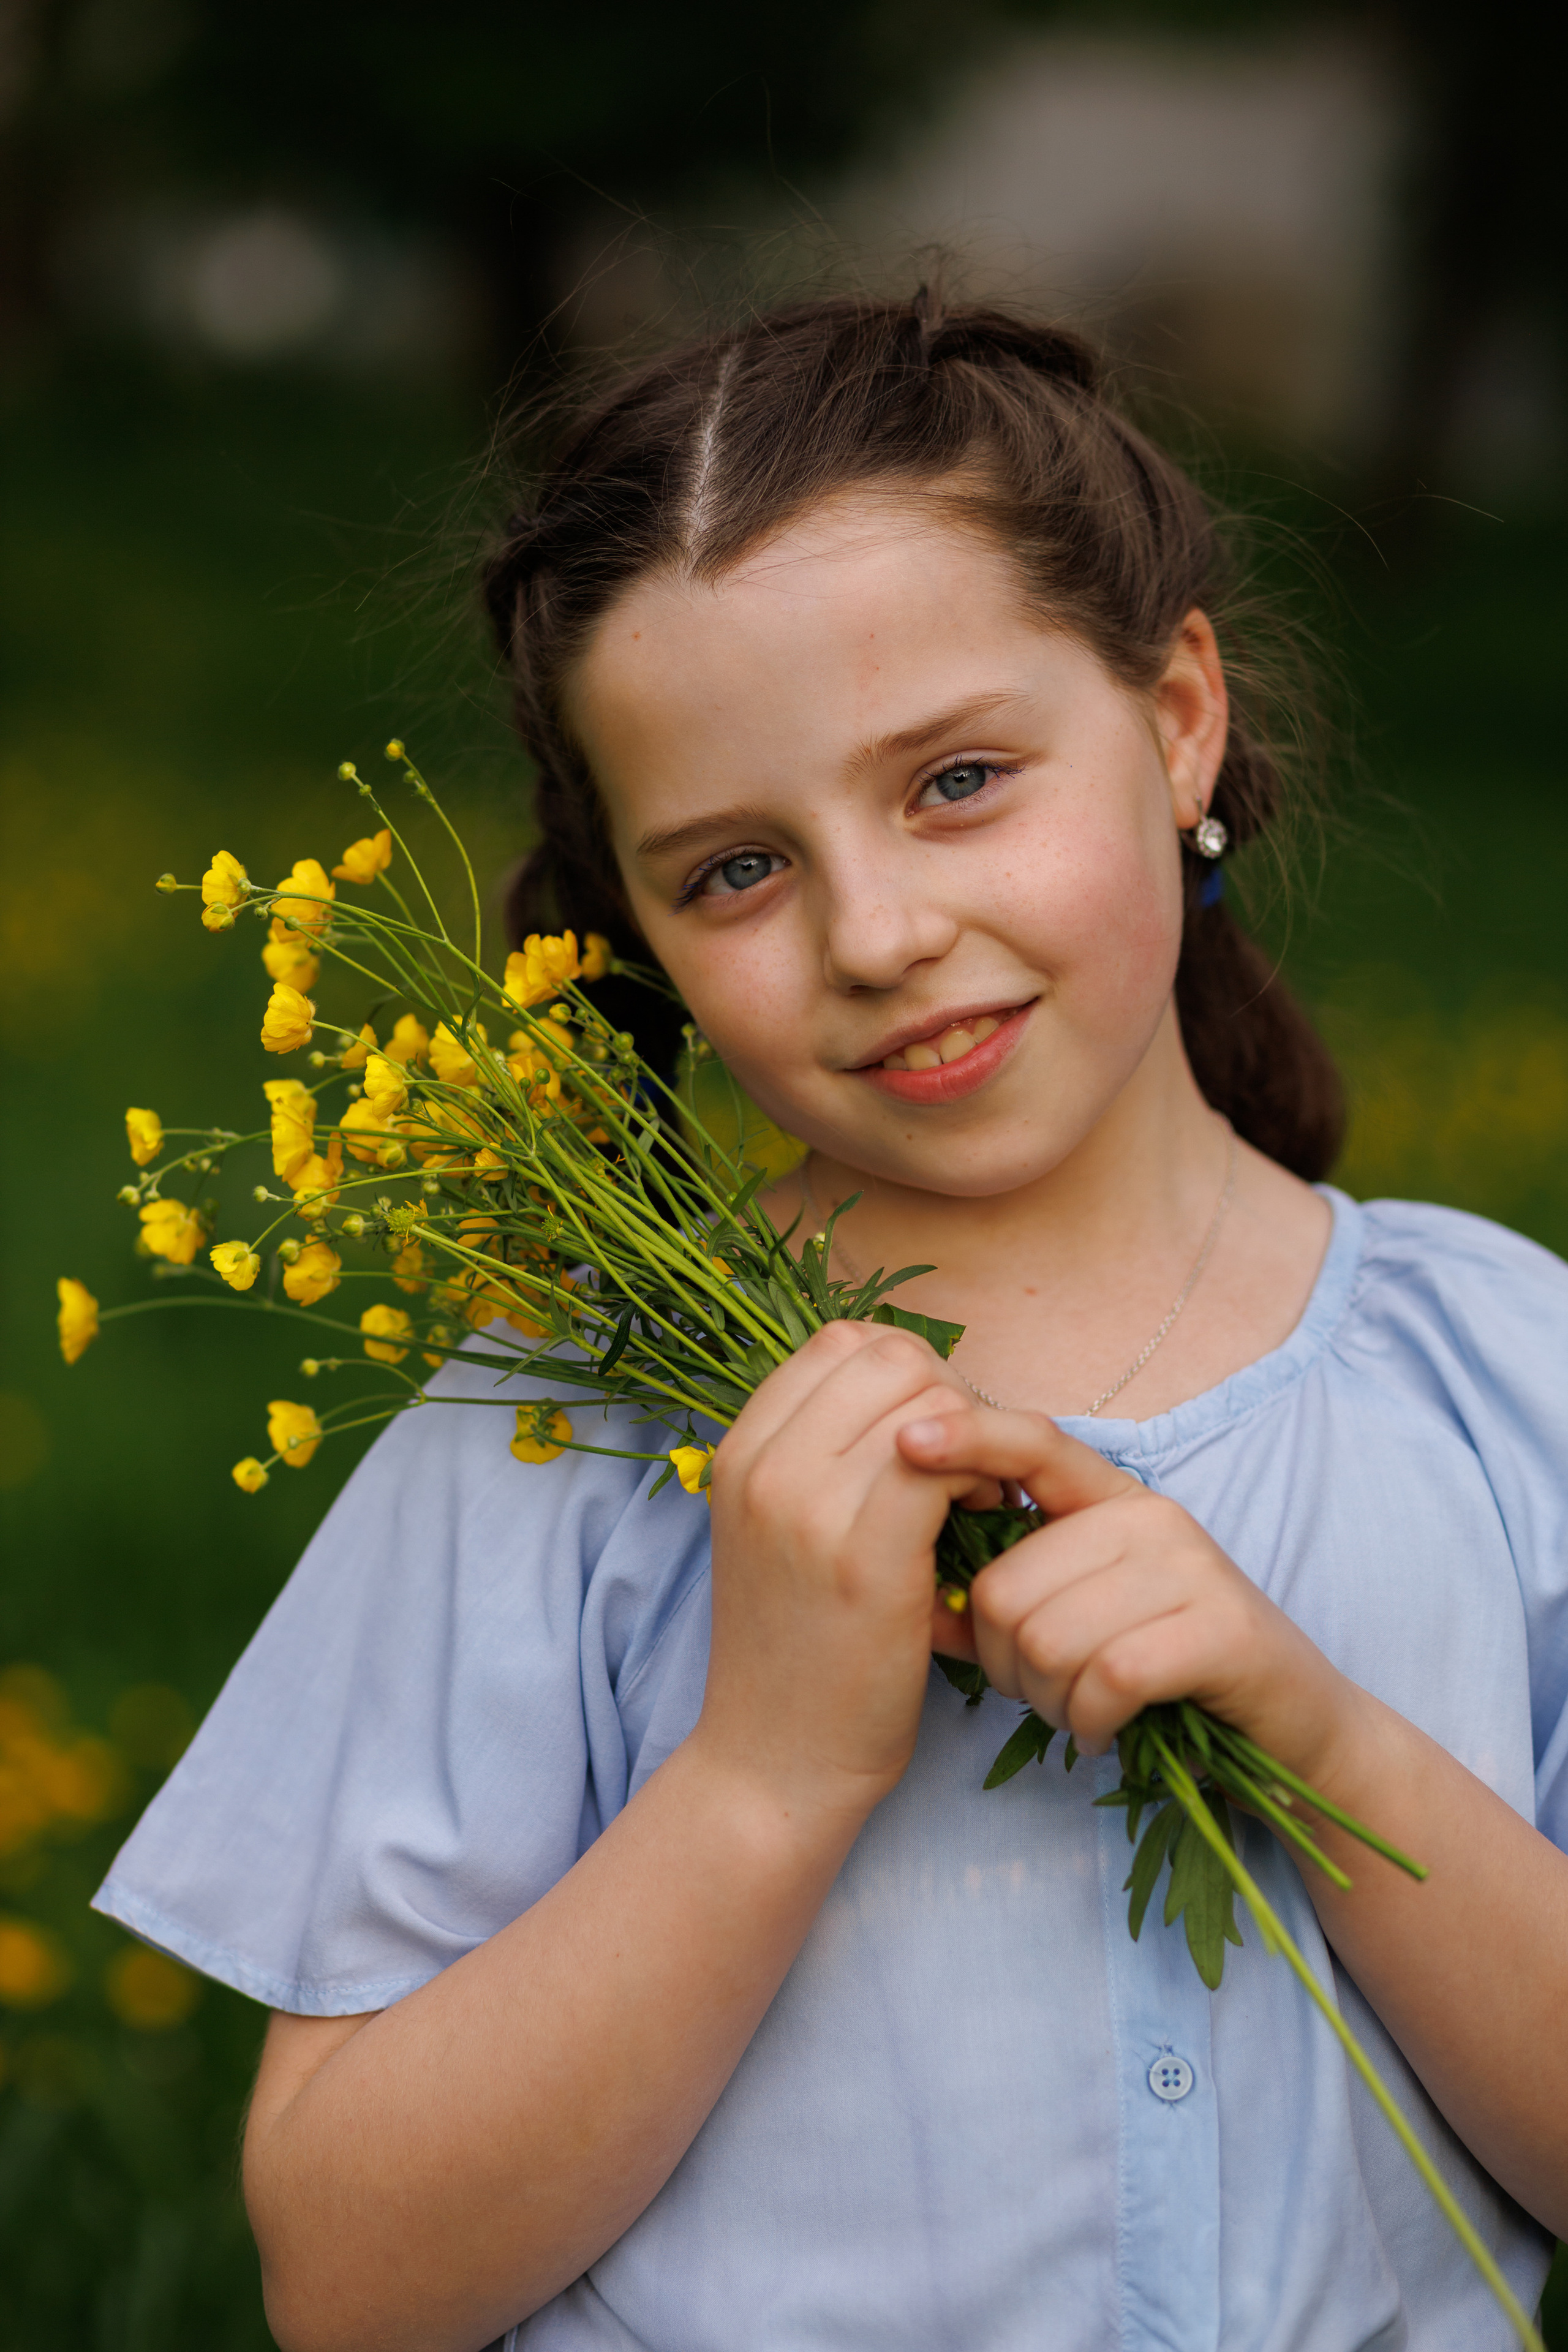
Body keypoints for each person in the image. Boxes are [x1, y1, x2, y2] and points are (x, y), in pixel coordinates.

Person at [95, 294, 1568, 2352]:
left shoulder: (1506, 1379)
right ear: (633, 923)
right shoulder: (571, 1429)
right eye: (735, 872)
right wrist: (762, 1777)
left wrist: (1328, 1739)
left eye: (959, 778)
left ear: (1175, 721)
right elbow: (349, 2283)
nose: (877, 935)